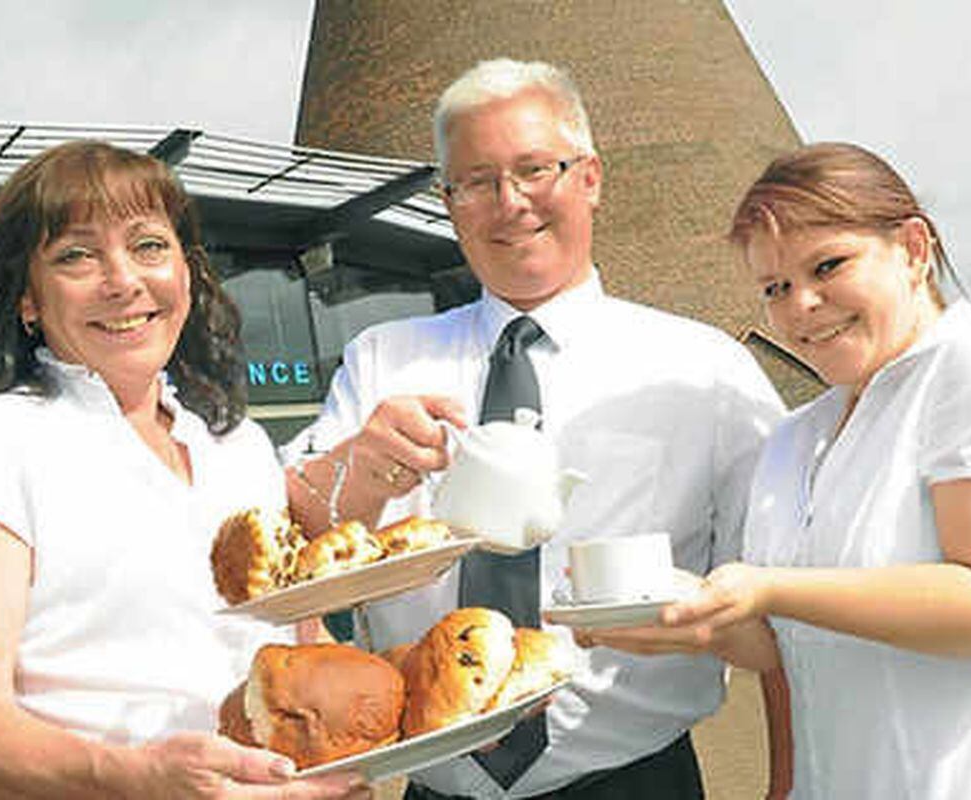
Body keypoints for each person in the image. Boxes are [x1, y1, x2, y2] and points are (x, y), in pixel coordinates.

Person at [282, 59, 788, 799]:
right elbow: (297, 549)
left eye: (533, 170)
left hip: (632, 783)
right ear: (450, 203)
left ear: (590, 178)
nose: (509, 203)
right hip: (436, 787)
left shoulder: (704, 371)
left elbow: (786, 598)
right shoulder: (381, 358)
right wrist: (359, 467)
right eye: (477, 182)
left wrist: (788, 783)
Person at [589, 141, 971, 797]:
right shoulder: (794, 438)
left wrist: (766, 589)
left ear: (912, 248)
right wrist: (697, 621)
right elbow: (795, 651)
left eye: (828, 265)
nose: (801, 305)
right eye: (775, 288)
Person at [0, 141, 367, 799]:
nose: (123, 280)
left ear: (187, 274)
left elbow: (300, 643)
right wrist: (137, 777)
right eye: (75, 255)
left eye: (149, 246)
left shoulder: (238, 445)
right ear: (27, 299)